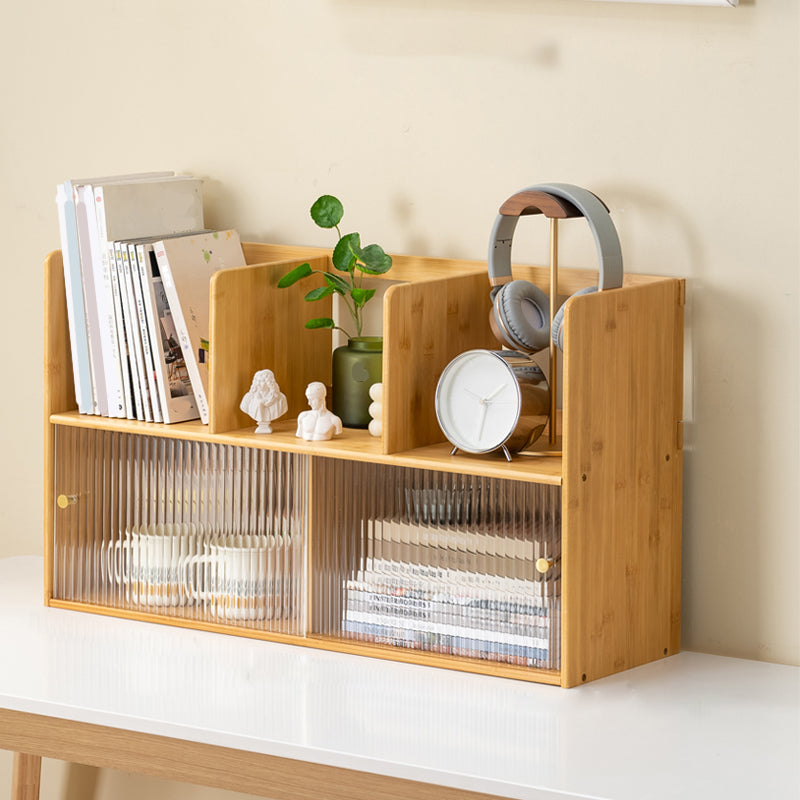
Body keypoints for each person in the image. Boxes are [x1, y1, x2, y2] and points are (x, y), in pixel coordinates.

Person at [240, 369, 288, 434]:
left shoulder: (280, 399)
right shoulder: (248, 398)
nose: (258, 384)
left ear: (269, 383)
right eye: (257, 381)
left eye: (262, 381)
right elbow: (244, 407)